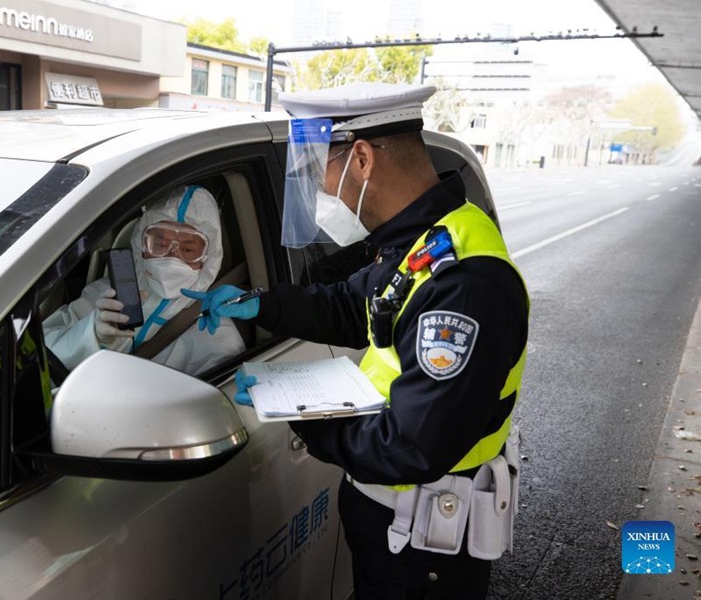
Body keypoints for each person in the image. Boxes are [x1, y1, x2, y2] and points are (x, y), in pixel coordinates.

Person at [185, 83, 529, 599]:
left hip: (426, 544)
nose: (322, 192)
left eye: (322, 169)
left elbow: (409, 446)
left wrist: (302, 416)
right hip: (397, 526)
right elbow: (357, 306)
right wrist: (264, 303)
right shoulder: (423, 238)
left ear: (362, 159)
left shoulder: (464, 284)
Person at [44, 184, 245, 375]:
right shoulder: (103, 295)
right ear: (141, 244)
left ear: (209, 259)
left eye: (188, 249)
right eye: (159, 243)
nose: (171, 259)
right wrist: (89, 334)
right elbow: (40, 356)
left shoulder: (216, 335)